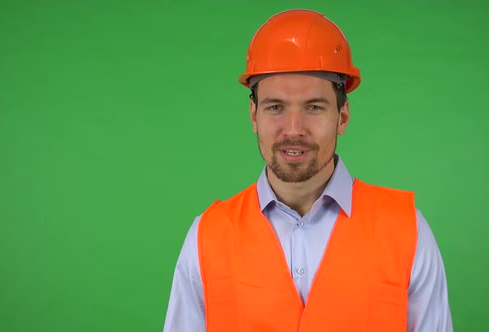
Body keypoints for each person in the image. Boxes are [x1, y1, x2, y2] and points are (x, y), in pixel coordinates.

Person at [163, 8, 453, 332]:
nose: (293, 129)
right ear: (253, 115)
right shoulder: (206, 237)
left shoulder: (407, 231)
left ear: (342, 116)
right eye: (276, 107)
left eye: (314, 107)